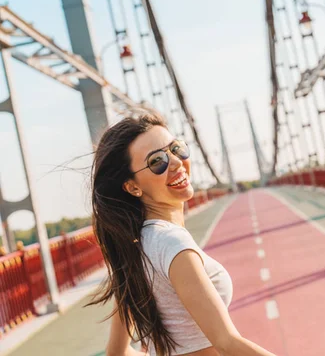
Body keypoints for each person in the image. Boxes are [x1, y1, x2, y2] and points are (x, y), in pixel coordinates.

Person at [87, 113, 276, 356]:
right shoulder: (172, 243)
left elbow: (118, 353)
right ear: (133, 186)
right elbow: (227, 342)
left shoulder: (134, 250)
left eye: (176, 149)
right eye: (157, 162)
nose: (176, 162)